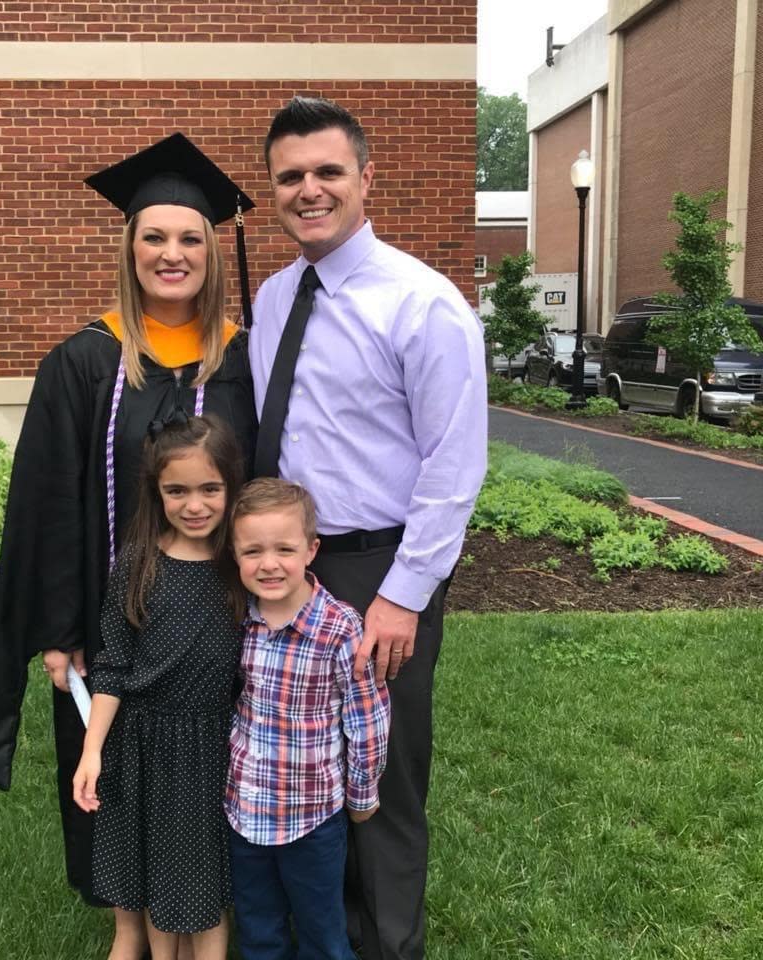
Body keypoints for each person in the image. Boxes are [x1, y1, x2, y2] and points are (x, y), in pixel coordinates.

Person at [0, 134, 258, 958]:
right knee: (117, 781)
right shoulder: (82, 362)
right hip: (116, 628)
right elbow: (50, 504)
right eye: (154, 238)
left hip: (218, 630)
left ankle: (208, 911)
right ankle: (128, 925)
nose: (172, 254)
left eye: (191, 238)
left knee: (208, 778)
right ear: (129, 249)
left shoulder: (244, 359)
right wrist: (59, 633)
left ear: (213, 250)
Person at [249, 97, 488, 960]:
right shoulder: (275, 299)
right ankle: (321, 934)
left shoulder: (422, 304)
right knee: (305, 760)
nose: (308, 190)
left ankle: (387, 944)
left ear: (364, 179)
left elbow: (454, 466)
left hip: (379, 569)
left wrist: (402, 598)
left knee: (380, 772)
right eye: (290, 176)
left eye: (327, 172)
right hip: (289, 570)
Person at [74, 414, 245, 960]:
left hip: (213, 744)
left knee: (203, 878)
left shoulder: (242, 565)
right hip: (141, 743)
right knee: (148, 871)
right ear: (157, 492)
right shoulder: (138, 562)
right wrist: (92, 749)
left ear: (230, 487)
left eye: (209, 489)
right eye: (177, 491)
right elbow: (114, 664)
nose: (194, 505)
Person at [225, 478, 390, 960]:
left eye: (284, 548)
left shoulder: (340, 628)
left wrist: (362, 794)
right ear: (235, 555)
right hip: (244, 813)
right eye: (252, 551)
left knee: (322, 931)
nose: (268, 563)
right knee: (258, 929)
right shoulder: (240, 620)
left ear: (311, 550)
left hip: (311, 818)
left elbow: (367, 720)